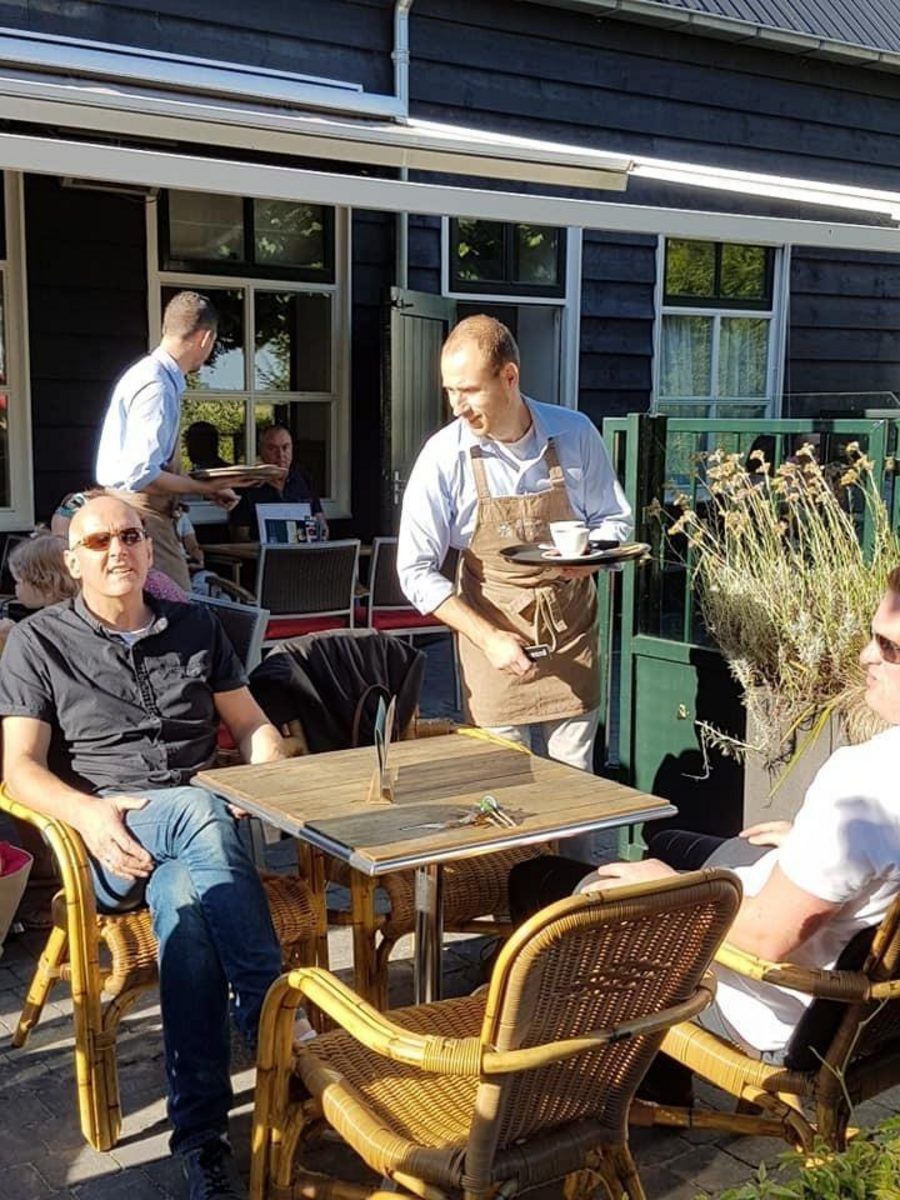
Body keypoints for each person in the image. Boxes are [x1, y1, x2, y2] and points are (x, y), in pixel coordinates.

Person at [0, 494, 293, 1199]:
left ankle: (202, 1146)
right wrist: (88, 814)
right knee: (196, 806)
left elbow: (251, 726)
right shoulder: (38, 643)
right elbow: (18, 769)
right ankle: (275, 1016)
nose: (116, 549)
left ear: (147, 547)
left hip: (198, 842)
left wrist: (273, 768)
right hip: (110, 841)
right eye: (96, 541)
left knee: (188, 917)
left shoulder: (196, 625)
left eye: (128, 535)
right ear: (72, 561)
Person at [509, 568, 900, 1062]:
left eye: (889, 647)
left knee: (539, 880)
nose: (866, 656)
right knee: (669, 841)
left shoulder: (863, 786)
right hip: (866, 1004)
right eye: (872, 637)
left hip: (777, 1009)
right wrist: (814, 843)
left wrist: (669, 889)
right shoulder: (866, 801)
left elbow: (763, 943)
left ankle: (613, 1081)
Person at [396, 315, 632, 851]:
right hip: (492, 633)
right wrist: (488, 638)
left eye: (469, 390)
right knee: (502, 793)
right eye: (450, 391)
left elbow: (615, 521)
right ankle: (515, 916)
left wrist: (588, 560)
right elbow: (414, 571)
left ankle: (578, 908)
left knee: (578, 790)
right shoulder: (444, 456)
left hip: (571, 630)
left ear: (509, 376)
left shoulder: (573, 433)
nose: (457, 405)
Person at [95, 291, 267, 590]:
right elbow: (142, 475)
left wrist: (203, 490)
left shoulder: (148, 375)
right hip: (141, 515)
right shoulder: (157, 385)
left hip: (132, 513)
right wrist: (203, 486)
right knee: (175, 606)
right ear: (205, 338)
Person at [229, 423, 328, 542]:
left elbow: (321, 525)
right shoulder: (247, 485)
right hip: (263, 556)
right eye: (272, 448)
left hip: (304, 555)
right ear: (260, 450)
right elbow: (240, 536)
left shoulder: (303, 478)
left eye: (285, 447)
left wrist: (320, 535)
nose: (281, 455)